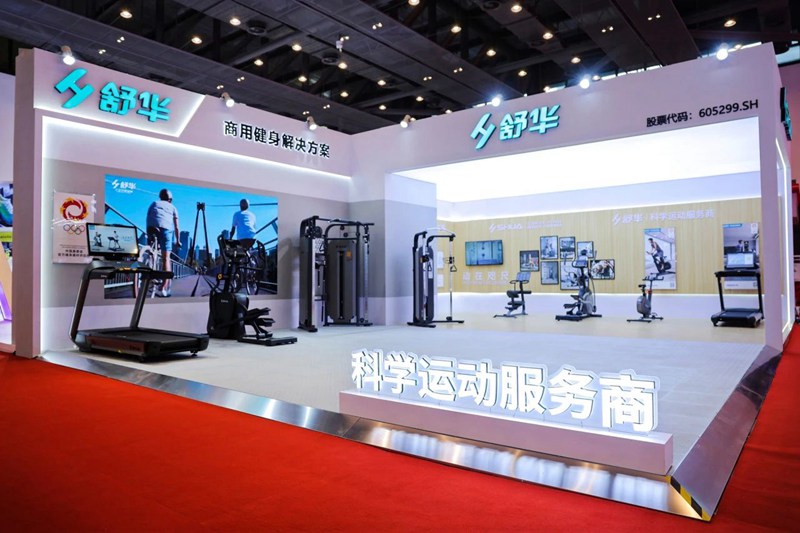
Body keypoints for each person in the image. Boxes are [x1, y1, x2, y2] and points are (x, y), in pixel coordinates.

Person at [146, 188, 180, 297]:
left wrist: (148, 233)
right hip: (165, 229)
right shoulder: (173, 207)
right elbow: (176, 227)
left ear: (160, 197)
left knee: (152, 250)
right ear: (170, 199)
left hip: (151, 227)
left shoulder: (154, 203)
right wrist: (178, 241)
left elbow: (148, 217)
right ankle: (163, 288)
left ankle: (149, 261)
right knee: (166, 258)